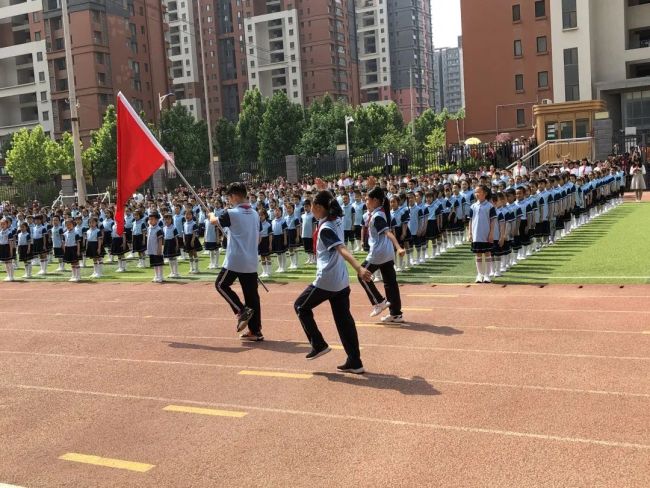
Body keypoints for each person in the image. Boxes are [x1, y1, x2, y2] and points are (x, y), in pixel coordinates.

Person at [293, 189, 371, 374]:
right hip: (341, 281)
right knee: (344, 320)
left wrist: (358, 267)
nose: (310, 210)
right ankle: (355, 361)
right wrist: (324, 189)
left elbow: (341, 249)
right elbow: (333, 204)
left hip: (327, 280)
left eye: (311, 206)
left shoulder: (327, 227)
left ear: (319, 207)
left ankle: (318, 343)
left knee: (300, 307)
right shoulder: (336, 219)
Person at [210, 182, 263, 341]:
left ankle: (240, 310)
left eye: (229, 197)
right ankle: (255, 331)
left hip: (235, 260)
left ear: (234, 196)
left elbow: (214, 221)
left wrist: (211, 215)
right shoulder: (255, 213)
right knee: (252, 297)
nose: (229, 200)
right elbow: (259, 237)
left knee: (221, 284)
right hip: (251, 260)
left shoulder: (231, 213)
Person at [358, 187, 406, 323]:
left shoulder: (378, 216)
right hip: (387, 253)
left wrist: (398, 247)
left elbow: (388, 232)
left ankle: (379, 301)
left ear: (375, 200)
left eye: (367, 199)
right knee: (390, 283)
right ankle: (396, 314)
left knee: (361, 274)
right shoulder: (381, 211)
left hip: (378, 253)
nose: (365, 201)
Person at [468, 185, 496, 283]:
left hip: (486, 233)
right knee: (478, 254)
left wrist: (491, 233)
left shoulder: (490, 206)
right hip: (476, 234)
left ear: (485, 193)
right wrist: (470, 233)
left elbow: (493, 221)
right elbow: (470, 221)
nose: (476, 194)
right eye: (475, 192)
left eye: (478, 192)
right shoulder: (473, 206)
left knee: (488, 253)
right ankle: (479, 274)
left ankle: (487, 275)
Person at [146, 212, 165, 283]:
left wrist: (159, 249)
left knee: (159, 263)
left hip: (157, 249)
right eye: (149, 219)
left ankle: (161, 276)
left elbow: (160, 240)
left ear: (157, 220)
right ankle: (156, 275)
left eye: (152, 219)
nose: (150, 221)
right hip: (151, 249)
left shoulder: (158, 229)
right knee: (154, 263)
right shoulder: (149, 228)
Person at [62, 218, 81, 282]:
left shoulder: (76, 233)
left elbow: (78, 243)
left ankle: (78, 276)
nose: (68, 226)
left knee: (76, 262)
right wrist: (64, 250)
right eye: (67, 225)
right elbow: (64, 242)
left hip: (74, 248)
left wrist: (78, 251)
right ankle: (73, 275)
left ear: (73, 225)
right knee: (72, 263)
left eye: (70, 224)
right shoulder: (65, 233)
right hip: (68, 248)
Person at [162, 213, 181, 278]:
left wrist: (177, 245)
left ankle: (176, 272)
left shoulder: (174, 227)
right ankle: (172, 272)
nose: (167, 220)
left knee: (174, 258)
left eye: (168, 219)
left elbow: (176, 238)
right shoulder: (164, 228)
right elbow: (164, 238)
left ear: (171, 220)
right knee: (169, 258)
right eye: (165, 219)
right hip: (167, 243)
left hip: (173, 243)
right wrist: (163, 245)